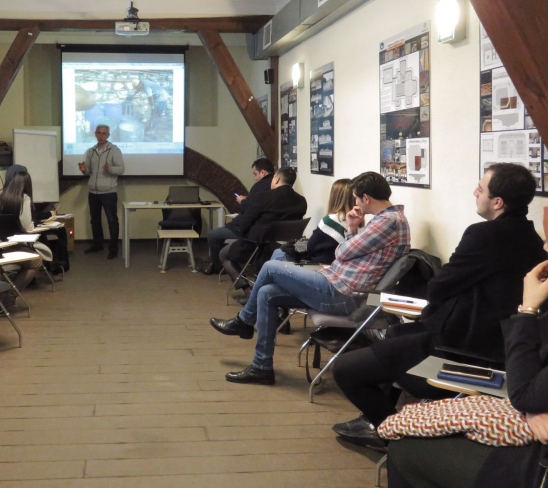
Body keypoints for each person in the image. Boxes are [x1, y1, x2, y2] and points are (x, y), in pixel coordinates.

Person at [331, 163, 547, 450]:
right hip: (499, 346)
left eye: (480, 189)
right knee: (393, 337)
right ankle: (378, 423)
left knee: (345, 369)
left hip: (464, 349)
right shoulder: (533, 241)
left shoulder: (484, 235)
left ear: (497, 202)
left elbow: (438, 287)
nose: (475, 193)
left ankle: (393, 434)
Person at [210, 171, 410, 386]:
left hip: (343, 293)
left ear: (366, 198)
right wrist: (352, 229)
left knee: (269, 266)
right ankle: (261, 367)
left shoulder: (387, 222)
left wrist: (350, 233)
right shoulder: (389, 220)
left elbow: (341, 253)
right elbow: (349, 252)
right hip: (338, 284)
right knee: (267, 293)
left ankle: (243, 321)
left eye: (357, 199)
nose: (356, 204)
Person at [386, 259, 548, 488]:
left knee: (403, 450)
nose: (544, 248)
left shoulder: (488, 241)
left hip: (538, 456)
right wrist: (533, 404)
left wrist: (528, 309)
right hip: (492, 364)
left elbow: (437, 287)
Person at [202, 165, 299, 276]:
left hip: (256, 246)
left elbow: (244, 224)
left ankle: (243, 283)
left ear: (276, 179)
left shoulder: (263, 197)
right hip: (285, 248)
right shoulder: (301, 202)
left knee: (223, 254)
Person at [0, 170, 49, 287]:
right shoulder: (25, 198)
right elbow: (28, 227)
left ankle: (8, 290)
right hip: (12, 247)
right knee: (36, 262)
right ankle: (10, 294)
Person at [78, 124, 124, 259]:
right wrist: (83, 170)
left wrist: (109, 169)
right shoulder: (90, 151)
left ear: (108, 135)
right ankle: (98, 244)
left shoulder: (114, 150)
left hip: (109, 192)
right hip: (93, 192)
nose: (101, 136)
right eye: (99, 133)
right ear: (95, 134)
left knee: (112, 221)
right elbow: (88, 171)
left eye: (104, 133)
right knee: (95, 220)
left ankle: (113, 248)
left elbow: (121, 169)